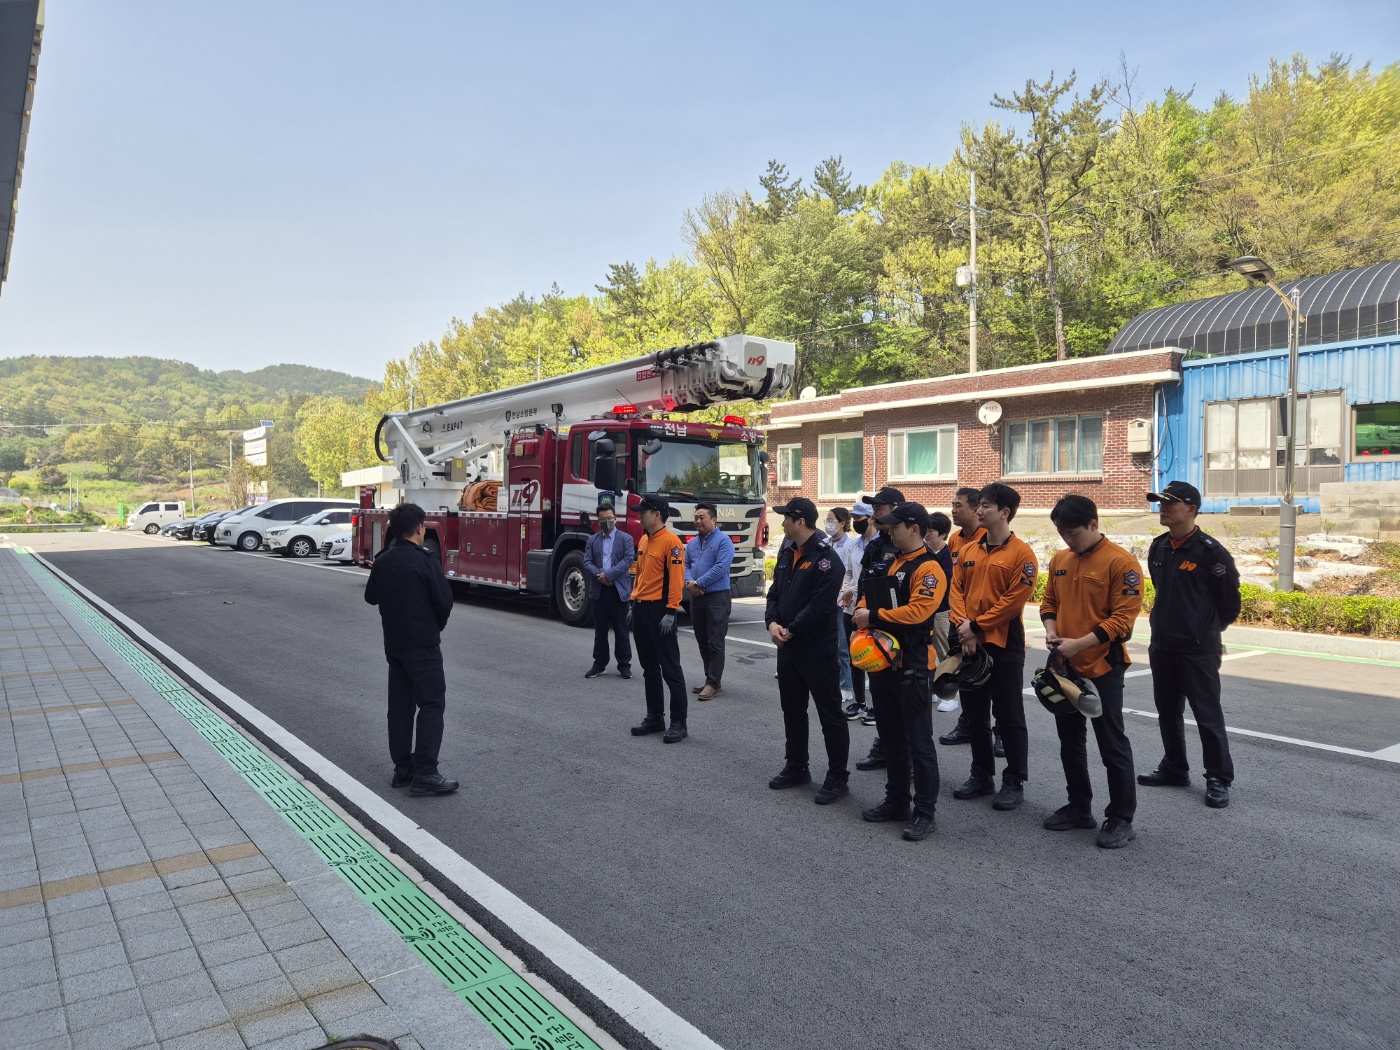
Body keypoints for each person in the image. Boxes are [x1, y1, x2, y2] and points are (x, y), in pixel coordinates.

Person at [1039, 494, 1144, 849]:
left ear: (1094, 524)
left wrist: (1079, 643)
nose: (1068, 539)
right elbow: (1049, 602)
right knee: (1070, 742)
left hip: (1102, 666)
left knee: (1111, 743)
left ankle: (1120, 818)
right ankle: (1079, 806)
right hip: (1065, 665)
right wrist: (1052, 631)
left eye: (1073, 532)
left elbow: (1122, 622)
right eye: (1062, 533)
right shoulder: (1060, 560)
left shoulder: (1122, 563)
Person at [1139, 481, 1242, 808]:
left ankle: (1218, 778)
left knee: (1207, 715)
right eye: (1160, 502)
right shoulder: (1159, 548)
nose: (1163, 508)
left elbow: (1229, 604)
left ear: (1192, 509)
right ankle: (1174, 767)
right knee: (1167, 712)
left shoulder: (1211, 552)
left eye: (1170, 503)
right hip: (1163, 645)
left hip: (1198, 649)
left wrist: (1206, 631)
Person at [852, 503, 946, 841]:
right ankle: (896, 801)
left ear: (915, 528)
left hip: (913, 666)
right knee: (891, 739)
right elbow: (866, 594)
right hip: (883, 665)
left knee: (919, 743)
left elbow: (920, 611)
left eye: (895, 526)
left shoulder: (929, 567)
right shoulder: (890, 561)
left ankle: (924, 812)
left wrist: (873, 617)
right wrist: (864, 611)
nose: (888, 530)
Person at [949, 482, 1037, 811]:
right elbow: (956, 589)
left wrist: (976, 626)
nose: (979, 510)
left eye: (986, 505)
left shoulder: (1022, 554)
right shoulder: (968, 551)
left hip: (1004, 645)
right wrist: (963, 626)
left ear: (1005, 512)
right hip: (969, 643)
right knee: (974, 715)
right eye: (979, 504)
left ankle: (1014, 781)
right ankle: (981, 774)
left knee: (1009, 715)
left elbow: (1013, 602)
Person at [363, 503, 459, 796]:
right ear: (419, 528)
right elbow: (444, 602)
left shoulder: (383, 560)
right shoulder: (425, 560)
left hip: (394, 644)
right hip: (423, 644)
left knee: (400, 706)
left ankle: (403, 768)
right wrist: (435, 627)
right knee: (431, 703)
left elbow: (371, 598)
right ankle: (426, 772)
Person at [765, 497, 850, 804]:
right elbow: (775, 593)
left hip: (816, 648)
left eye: (785, 518)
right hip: (787, 646)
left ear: (800, 521)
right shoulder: (787, 551)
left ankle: (838, 776)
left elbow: (821, 604)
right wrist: (772, 623)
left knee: (830, 714)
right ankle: (796, 765)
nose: (782, 522)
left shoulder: (827, 558)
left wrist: (792, 628)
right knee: (793, 710)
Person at [852, 486, 905, 769]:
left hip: (901, 633)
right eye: (874, 508)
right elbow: (864, 582)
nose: (874, 513)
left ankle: (905, 758)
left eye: (880, 508)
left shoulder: (907, 545)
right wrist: (859, 614)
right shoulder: (875, 544)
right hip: (873, 627)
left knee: (905, 704)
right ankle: (884, 747)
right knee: (881, 697)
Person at [630, 494, 690, 743]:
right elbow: (639, 574)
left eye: (643, 511)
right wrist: (634, 602)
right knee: (649, 669)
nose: (639, 515)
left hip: (660, 611)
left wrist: (671, 611)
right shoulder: (644, 539)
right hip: (642, 610)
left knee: (671, 669)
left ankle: (679, 722)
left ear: (657, 514)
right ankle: (655, 717)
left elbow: (676, 580)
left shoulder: (671, 542)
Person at [940, 487, 987, 742]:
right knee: (964, 674)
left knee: (992, 679)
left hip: (983, 622)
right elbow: (954, 584)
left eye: (959, 505)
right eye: (952, 504)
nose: (953, 510)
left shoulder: (989, 537)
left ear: (975, 508)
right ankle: (966, 724)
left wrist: (975, 626)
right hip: (958, 618)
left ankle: (1000, 731)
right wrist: (960, 621)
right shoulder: (955, 540)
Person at [685, 502, 735, 701]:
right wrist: (690, 582)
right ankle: (711, 679)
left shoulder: (724, 541)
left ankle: (713, 684)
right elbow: (686, 565)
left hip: (717, 597)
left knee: (715, 642)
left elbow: (721, 567)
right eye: (696, 517)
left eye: (702, 517)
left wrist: (698, 583)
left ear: (713, 519)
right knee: (702, 640)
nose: (698, 521)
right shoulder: (692, 543)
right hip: (697, 597)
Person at [583, 501, 634, 680]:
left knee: (621, 629)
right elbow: (587, 562)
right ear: (598, 521)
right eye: (603, 519)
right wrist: (601, 576)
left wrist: (610, 575)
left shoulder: (625, 539)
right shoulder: (592, 540)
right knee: (600, 630)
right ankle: (599, 664)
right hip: (599, 589)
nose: (607, 522)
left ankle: (624, 665)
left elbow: (628, 560)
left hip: (618, 589)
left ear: (616, 519)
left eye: (610, 518)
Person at [839, 501, 876, 718]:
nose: (856, 523)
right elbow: (849, 572)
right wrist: (846, 591)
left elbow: (869, 578)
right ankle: (859, 702)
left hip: (869, 607)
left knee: (874, 654)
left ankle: (875, 705)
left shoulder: (880, 544)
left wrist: (852, 590)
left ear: (871, 518)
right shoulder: (854, 544)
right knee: (855, 655)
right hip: (849, 607)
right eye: (854, 519)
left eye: (859, 519)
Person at [826, 507, 860, 706]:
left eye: (832, 520)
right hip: (827, 600)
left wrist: (845, 592)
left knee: (842, 646)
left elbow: (850, 573)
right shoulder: (825, 543)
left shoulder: (851, 545)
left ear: (843, 523)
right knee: (829, 645)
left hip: (842, 600)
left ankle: (847, 686)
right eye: (827, 519)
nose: (828, 523)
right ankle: (835, 681)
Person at [926, 511, 954, 668]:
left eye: (931, 531)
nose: (927, 534)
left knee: (944, 652)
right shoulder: (925, 553)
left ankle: (949, 689)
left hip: (941, 612)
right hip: (925, 611)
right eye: (927, 530)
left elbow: (947, 586)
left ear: (943, 534)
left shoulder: (948, 556)